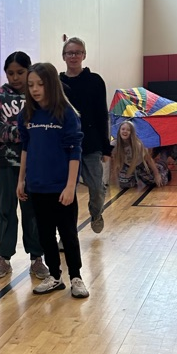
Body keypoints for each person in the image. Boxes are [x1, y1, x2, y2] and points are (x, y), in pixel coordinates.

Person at [16, 62, 89, 298]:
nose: (35, 89)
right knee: (46, 234)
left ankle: (76, 277)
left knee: (68, 234)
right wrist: (21, 180)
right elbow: (26, 148)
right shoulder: (27, 114)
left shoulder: (66, 113)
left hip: (61, 187)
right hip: (37, 186)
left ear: (51, 85)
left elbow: (74, 151)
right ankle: (55, 277)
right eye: (31, 85)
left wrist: (71, 186)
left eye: (40, 84)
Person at [0, 51, 49, 281]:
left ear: (29, 70)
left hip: (33, 163)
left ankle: (37, 258)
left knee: (32, 211)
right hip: (5, 162)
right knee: (5, 209)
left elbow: (45, 125)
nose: (15, 78)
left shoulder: (37, 94)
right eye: (10, 73)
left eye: (20, 72)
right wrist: (20, 133)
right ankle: (4, 257)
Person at [59, 37, 111, 233]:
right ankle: (66, 234)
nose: (74, 56)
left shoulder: (95, 81)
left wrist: (106, 148)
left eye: (77, 52)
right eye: (70, 53)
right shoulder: (57, 82)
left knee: (97, 188)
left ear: (84, 55)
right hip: (65, 147)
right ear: (63, 56)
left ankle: (96, 213)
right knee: (66, 192)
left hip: (91, 145)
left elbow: (101, 115)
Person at [111, 121, 169, 188]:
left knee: (155, 182)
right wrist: (115, 176)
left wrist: (156, 174)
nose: (125, 131)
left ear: (132, 133)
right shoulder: (114, 144)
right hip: (127, 166)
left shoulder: (138, 145)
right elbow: (115, 161)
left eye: (128, 130)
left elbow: (149, 159)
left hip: (141, 165)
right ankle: (135, 178)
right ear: (119, 131)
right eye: (123, 129)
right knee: (124, 185)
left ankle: (161, 166)